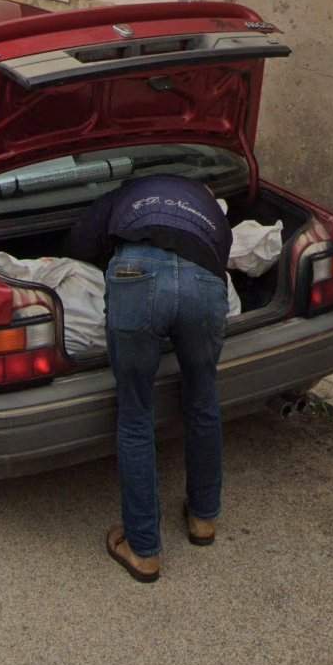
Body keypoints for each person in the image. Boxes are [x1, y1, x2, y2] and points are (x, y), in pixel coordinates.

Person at [67, 173, 231, 584]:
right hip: (204, 284)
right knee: (203, 398)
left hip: (135, 275)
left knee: (136, 414)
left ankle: (143, 549)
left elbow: (81, 244)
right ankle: (203, 518)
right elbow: (223, 255)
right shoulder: (209, 207)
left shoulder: (125, 194)